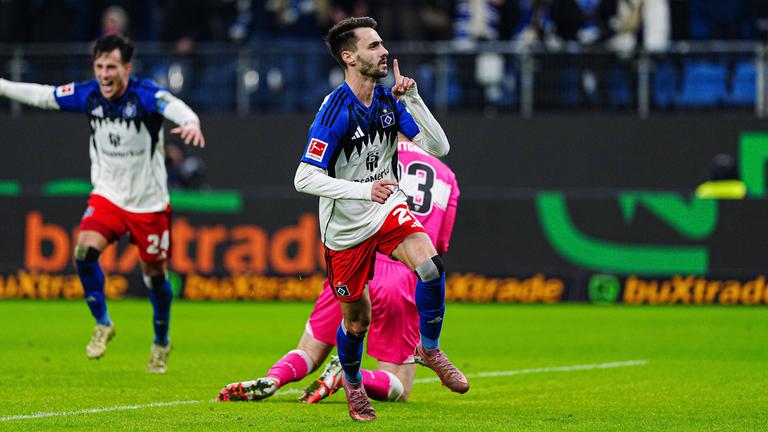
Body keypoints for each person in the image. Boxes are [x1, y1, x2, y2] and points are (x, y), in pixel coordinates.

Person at [292, 16, 468, 421]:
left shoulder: (389, 102)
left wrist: (414, 100)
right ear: (349, 57)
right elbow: (303, 177)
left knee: (429, 266)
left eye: (381, 43)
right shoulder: (334, 111)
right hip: (346, 229)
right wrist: (362, 190)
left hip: (386, 209)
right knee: (357, 323)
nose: (383, 50)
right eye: (373, 46)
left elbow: (438, 147)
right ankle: (353, 384)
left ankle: (429, 347)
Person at [0, 34, 205, 373]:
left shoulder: (144, 95)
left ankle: (161, 340)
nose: (104, 74)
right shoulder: (89, 94)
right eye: (99, 67)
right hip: (108, 195)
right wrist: (3, 85)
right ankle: (103, 322)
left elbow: (173, 105)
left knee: (155, 277)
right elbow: (42, 95)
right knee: (83, 250)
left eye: (111, 67)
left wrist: (191, 121)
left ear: (127, 68)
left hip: (148, 203)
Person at [217, 134, 460, 404]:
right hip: (401, 276)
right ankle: (349, 375)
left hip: (352, 263)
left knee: (309, 350)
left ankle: (274, 378)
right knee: (398, 385)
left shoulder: (369, 156)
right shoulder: (445, 174)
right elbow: (437, 246)